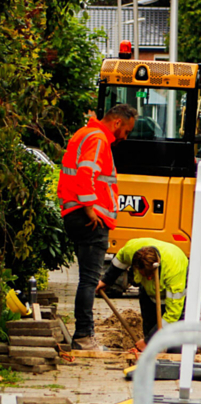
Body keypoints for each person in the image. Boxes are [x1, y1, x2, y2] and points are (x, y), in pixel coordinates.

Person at [58, 104, 137, 350]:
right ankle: (84, 336)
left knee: (87, 280)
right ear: (117, 123)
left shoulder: (84, 134)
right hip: (90, 218)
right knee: (89, 281)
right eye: (126, 130)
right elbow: (86, 173)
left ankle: (83, 334)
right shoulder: (99, 139)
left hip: (75, 214)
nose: (125, 136)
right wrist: (91, 208)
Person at [98, 238, 188, 351]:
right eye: (145, 275)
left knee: (175, 339)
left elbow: (173, 314)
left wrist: (147, 341)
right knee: (150, 325)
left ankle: (175, 359)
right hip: (149, 293)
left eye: (150, 275)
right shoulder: (131, 250)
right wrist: (106, 281)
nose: (149, 278)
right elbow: (119, 260)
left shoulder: (174, 272)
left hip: (174, 292)